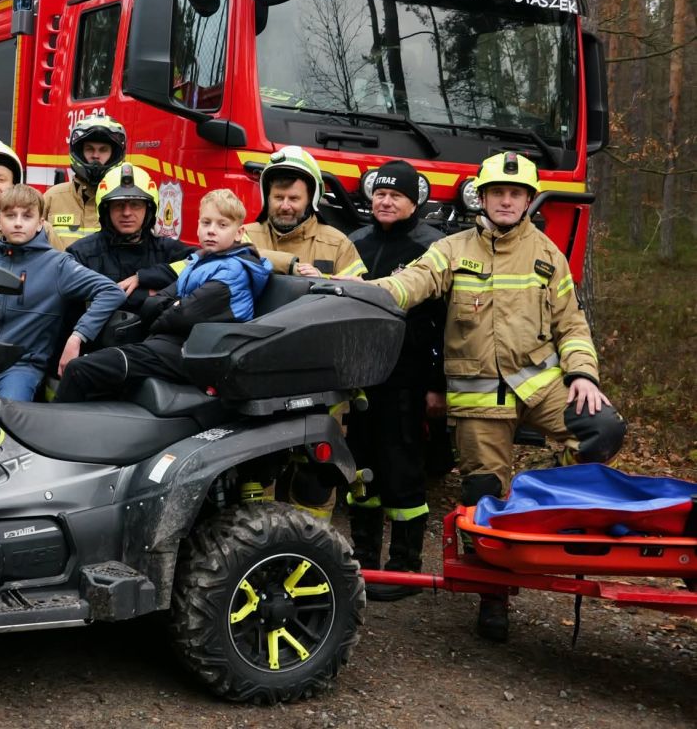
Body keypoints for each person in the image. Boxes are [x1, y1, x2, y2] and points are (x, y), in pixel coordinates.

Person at [362, 151, 626, 641]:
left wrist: (583, 375)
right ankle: (494, 600)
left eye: (515, 193)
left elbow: (572, 325)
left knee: (602, 429)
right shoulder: (453, 249)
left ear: (528, 200)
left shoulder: (549, 255)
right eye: (497, 193)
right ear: (482, 199)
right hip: (478, 399)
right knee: (483, 497)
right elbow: (410, 283)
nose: (506, 201)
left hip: (540, 385)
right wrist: (360, 292)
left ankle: (553, 519)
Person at [56, 189, 272, 402]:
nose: (211, 230)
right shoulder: (199, 262)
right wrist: (171, 304)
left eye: (222, 225)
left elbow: (183, 315)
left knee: (81, 369)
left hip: (197, 353)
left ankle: (55, 434)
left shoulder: (234, 271)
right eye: (206, 223)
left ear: (239, 232)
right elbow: (155, 303)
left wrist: (170, 306)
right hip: (173, 345)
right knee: (93, 367)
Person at [343, 160, 446, 601]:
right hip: (360, 376)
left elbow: (446, 325)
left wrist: (437, 384)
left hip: (408, 376)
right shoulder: (355, 242)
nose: (386, 201)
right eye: (380, 194)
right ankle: (363, 561)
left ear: (414, 201)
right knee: (360, 471)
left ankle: (405, 567)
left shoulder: (432, 247)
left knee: (402, 470)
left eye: (396, 196)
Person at [0, 185, 125, 400]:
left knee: (9, 423)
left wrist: (77, 337)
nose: (17, 222)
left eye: (27, 216)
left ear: (40, 224)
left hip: (21, 369)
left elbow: (111, 291)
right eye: (9, 215)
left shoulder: (59, 266)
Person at [66, 163, 194, 313]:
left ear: (149, 210)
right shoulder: (81, 254)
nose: (127, 212)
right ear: (106, 210)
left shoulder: (166, 249)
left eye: (135, 205)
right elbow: (84, 300)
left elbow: (202, 265)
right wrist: (149, 294)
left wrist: (144, 277)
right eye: (119, 205)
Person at [243, 146, 364, 277]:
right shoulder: (244, 236)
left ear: (311, 199)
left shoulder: (339, 245)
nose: (285, 206)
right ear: (267, 198)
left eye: (293, 198)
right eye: (278, 197)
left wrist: (323, 279)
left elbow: (355, 291)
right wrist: (291, 266)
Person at [44, 114, 126, 246]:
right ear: (79, 152)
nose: (95, 156)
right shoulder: (52, 198)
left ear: (114, 154)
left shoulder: (126, 203)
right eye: (89, 149)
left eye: (103, 150)